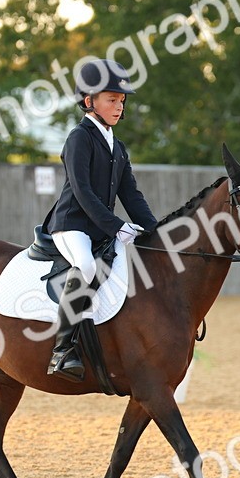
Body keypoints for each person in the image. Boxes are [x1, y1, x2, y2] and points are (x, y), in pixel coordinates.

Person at [40, 57, 159, 381]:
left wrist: (155, 231)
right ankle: (62, 351)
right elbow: (82, 192)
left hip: (101, 228)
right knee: (87, 266)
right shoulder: (79, 138)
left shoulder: (117, 146)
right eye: (112, 100)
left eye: (121, 101)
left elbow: (131, 195)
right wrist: (117, 226)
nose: (119, 106)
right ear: (88, 101)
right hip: (72, 226)